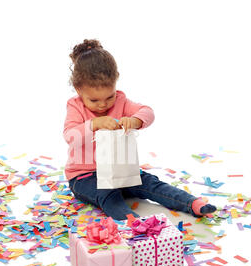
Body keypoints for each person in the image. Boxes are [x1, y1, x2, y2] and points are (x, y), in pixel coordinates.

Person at [63, 39, 216, 220]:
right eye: (94, 101)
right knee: (107, 194)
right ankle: (136, 224)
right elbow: (70, 135)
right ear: (78, 90)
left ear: (116, 82)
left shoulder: (121, 101)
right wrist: (94, 124)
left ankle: (192, 203)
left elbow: (148, 112)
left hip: (121, 170)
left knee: (150, 183)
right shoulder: (75, 106)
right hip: (85, 177)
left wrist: (135, 121)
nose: (103, 105)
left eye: (109, 97)